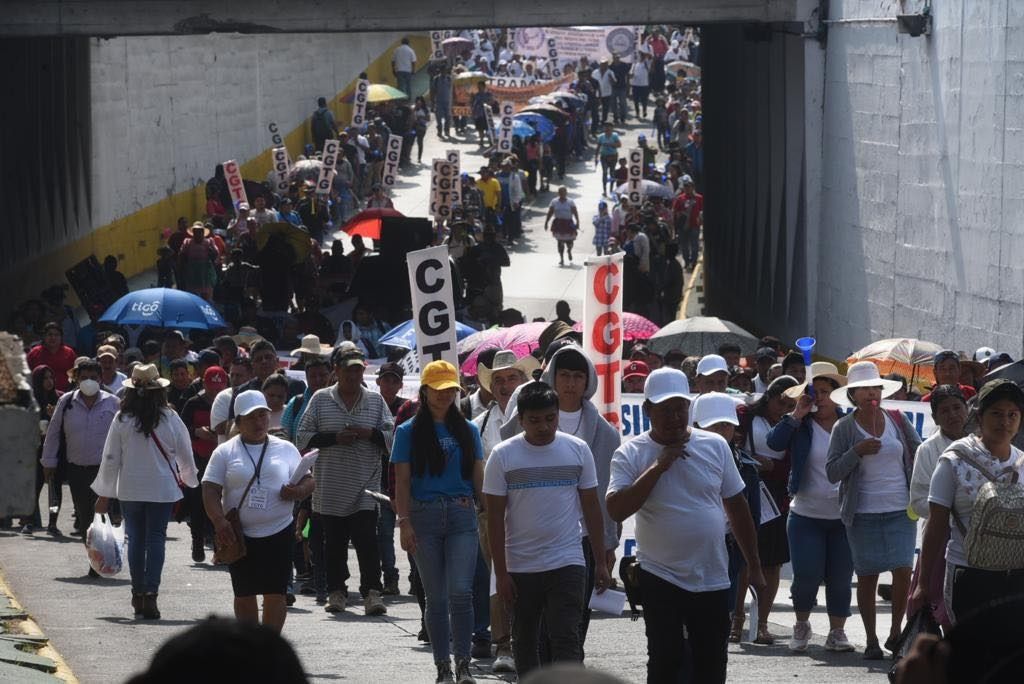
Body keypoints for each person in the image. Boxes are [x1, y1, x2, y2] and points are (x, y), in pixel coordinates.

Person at [606, 368, 765, 683]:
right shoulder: (631, 452)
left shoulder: (715, 446)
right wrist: (659, 466)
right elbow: (616, 509)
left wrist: (755, 566)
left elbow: (737, 506)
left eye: (680, 408)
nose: (675, 417)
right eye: (665, 410)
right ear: (647, 410)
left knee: (711, 662)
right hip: (660, 575)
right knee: (666, 660)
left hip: (712, 576)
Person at [485, 382, 611, 678]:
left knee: (566, 635)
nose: (543, 426)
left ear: (557, 415)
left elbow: (593, 509)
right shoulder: (503, 456)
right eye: (534, 420)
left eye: (550, 418)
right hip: (521, 566)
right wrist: (501, 574)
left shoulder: (578, 450)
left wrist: (601, 563)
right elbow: (494, 518)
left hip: (567, 561)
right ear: (521, 419)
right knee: (526, 639)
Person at [392, 361, 484, 684]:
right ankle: (442, 666)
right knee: (437, 598)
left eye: (451, 390)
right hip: (423, 516)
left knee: (461, 592)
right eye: (439, 389)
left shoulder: (468, 429)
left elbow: (477, 473)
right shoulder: (406, 432)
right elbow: (402, 482)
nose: (446, 395)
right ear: (425, 391)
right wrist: (404, 522)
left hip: (461, 515)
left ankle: (464, 664)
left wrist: (483, 508)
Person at [825, 361, 922, 659]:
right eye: (863, 389)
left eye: (874, 387)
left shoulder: (897, 418)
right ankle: (870, 640)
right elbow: (832, 472)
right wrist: (857, 452)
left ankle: (896, 633)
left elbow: (919, 452)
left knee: (903, 571)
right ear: (853, 395)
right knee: (867, 576)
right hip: (862, 512)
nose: (870, 393)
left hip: (900, 509)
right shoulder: (844, 427)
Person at [911, 379, 1024, 628]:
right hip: (968, 573)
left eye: (1012, 414)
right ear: (980, 416)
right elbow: (937, 524)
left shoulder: (1022, 462)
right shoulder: (954, 461)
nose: (1004, 422)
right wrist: (923, 584)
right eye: (996, 413)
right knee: (969, 655)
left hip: (1016, 575)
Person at [91, 364, 199, 620]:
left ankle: (137, 593)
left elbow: (110, 458)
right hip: (162, 489)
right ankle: (151, 594)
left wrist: (104, 493)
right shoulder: (170, 417)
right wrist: (190, 479)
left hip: (130, 488)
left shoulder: (122, 419)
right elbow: (185, 453)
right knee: (156, 539)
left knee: (136, 540)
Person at [202, 390, 313, 633]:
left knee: (276, 593)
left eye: (263, 416)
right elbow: (210, 489)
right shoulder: (225, 452)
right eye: (251, 417)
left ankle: (269, 646)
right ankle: (249, 645)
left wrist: (297, 492)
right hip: (239, 534)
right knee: (244, 593)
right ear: (238, 421)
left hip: (279, 531)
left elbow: (308, 480)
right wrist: (219, 522)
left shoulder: (285, 448)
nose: (259, 422)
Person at [296, 343, 394, 616]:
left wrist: (368, 433)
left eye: (358, 371)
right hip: (329, 487)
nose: (354, 376)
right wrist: (334, 438)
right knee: (334, 544)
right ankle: (336, 591)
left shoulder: (375, 401)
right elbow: (301, 437)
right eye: (348, 370)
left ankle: (373, 593)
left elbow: (390, 438)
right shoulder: (320, 400)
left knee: (367, 540)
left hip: (365, 485)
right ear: (336, 371)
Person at [766, 363, 856, 652]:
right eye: (813, 393)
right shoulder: (800, 424)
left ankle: (837, 632)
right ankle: (802, 624)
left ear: (836, 395)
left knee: (841, 578)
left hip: (843, 516)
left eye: (825, 392)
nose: (819, 398)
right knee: (805, 575)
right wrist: (796, 414)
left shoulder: (850, 423)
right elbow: (773, 443)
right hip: (806, 514)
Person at [734, 375, 799, 644]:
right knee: (745, 560)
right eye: (779, 400)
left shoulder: (796, 424)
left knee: (772, 564)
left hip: (778, 497)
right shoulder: (746, 415)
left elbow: (799, 460)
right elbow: (730, 442)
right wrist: (748, 459)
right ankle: (736, 621)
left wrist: (774, 467)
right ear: (769, 396)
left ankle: (762, 624)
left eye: (789, 403)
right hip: (747, 491)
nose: (783, 407)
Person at [907, 384, 967, 629]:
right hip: (940, 540)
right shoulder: (928, 449)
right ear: (935, 417)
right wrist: (949, 508)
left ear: (967, 409)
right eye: (945, 410)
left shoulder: (986, 443)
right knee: (939, 609)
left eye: (957, 407)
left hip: (979, 541)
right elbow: (918, 501)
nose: (952, 414)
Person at [40, 358, 119, 544]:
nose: (88, 381)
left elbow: (122, 437)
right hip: (77, 470)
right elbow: (53, 434)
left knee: (101, 514)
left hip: (104, 470)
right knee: (84, 516)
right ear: (77, 379)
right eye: (84, 377)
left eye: (93, 377)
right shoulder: (66, 402)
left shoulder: (113, 403)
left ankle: (101, 556)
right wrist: (48, 462)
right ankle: (93, 554)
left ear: (100, 379)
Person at [180, 366, 229, 563]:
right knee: (197, 504)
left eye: (219, 388)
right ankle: (197, 542)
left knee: (219, 505)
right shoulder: (193, 403)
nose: (216, 393)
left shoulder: (229, 403)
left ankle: (220, 548)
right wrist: (197, 432)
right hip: (197, 460)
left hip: (221, 458)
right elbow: (181, 429)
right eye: (212, 388)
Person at [27, 322, 77, 392]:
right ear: (44, 336)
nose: (53, 338)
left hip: (65, 393)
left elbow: (75, 375)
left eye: (56, 335)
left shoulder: (69, 352)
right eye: (50, 334)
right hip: (40, 394)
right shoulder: (34, 353)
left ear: (61, 337)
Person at [544, 187, 580, 267]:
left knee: (570, 241)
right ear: (558, 193)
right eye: (560, 192)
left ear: (566, 193)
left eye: (564, 192)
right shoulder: (554, 202)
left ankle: (569, 250)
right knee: (560, 242)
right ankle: (561, 258)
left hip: (568, 223)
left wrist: (577, 222)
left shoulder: (570, 202)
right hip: (559, 224)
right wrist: (546, 222)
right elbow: (550, 212)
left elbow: (575, 212)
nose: (562, 194)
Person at [594, 122, 621, 197]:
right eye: (606, 127)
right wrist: (596, 157)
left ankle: (611, 190)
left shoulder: (615, 136)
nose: (607, 129)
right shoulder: (601, 137)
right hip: (604, 156)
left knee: (612, 173)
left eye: (609, 127)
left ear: (612, 129)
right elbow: (598, 147)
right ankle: (604, 190)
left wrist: (611, 145)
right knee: (605, 173)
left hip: (613, 156)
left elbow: (619, 145)